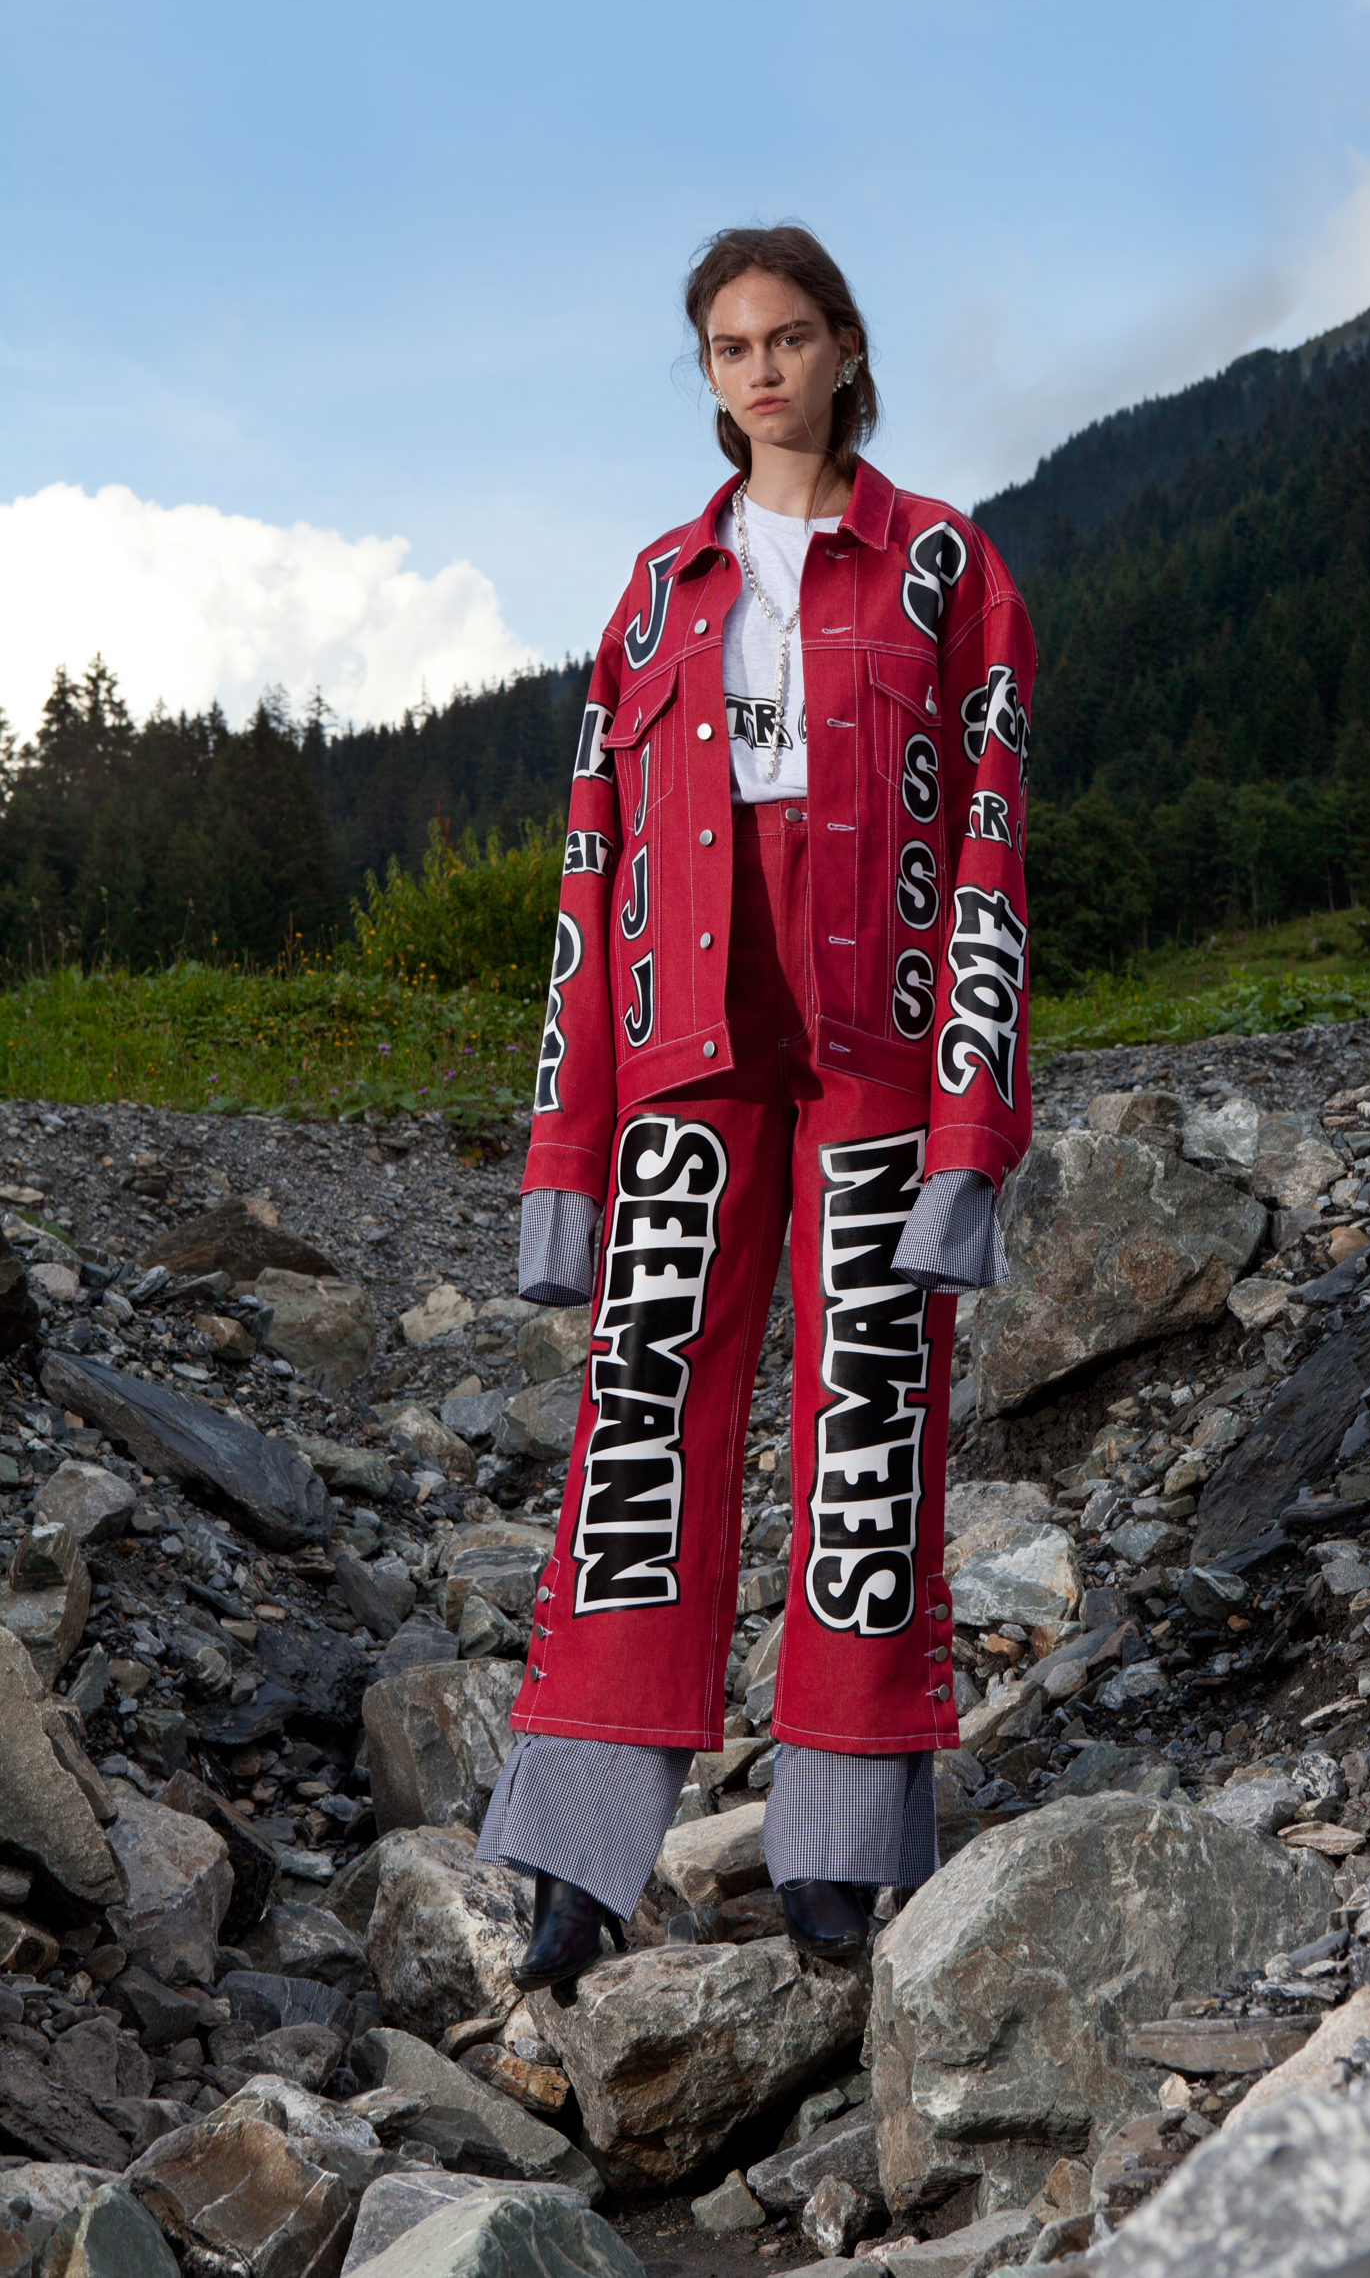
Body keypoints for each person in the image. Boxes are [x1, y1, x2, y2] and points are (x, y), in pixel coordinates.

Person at [477, 224, 1035, 1989]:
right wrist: (564, 1147)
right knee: (641, 1413)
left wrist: (970, 1125)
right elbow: (592, 866)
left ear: (845, 347)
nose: (764, 369)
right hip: (681, 1032)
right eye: (730, 347)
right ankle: (579, 1861)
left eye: (789, 337)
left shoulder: (947, 566)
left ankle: (837, 1846)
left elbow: (991, 846)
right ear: (708, 375)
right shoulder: (655, 591)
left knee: (869, 1404)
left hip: (878, 1032)